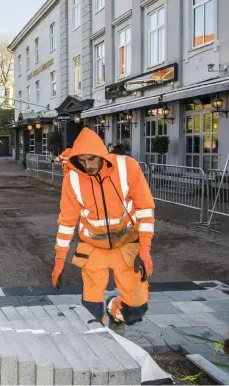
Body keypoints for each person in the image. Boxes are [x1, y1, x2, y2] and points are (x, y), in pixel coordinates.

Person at [51, 127, 155, 327]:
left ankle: (114, 307)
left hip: (126, 246)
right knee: (91, 313)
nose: (87, 166)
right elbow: (66, 222)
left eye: (91, 159)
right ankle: (100, 341)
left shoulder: (127, 168)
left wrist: (145, 249)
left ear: (101, 154)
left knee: (136, 311)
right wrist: (59, 260)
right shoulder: (72, 180)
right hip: (92, 249)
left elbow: (145, 210)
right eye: (81, 161)